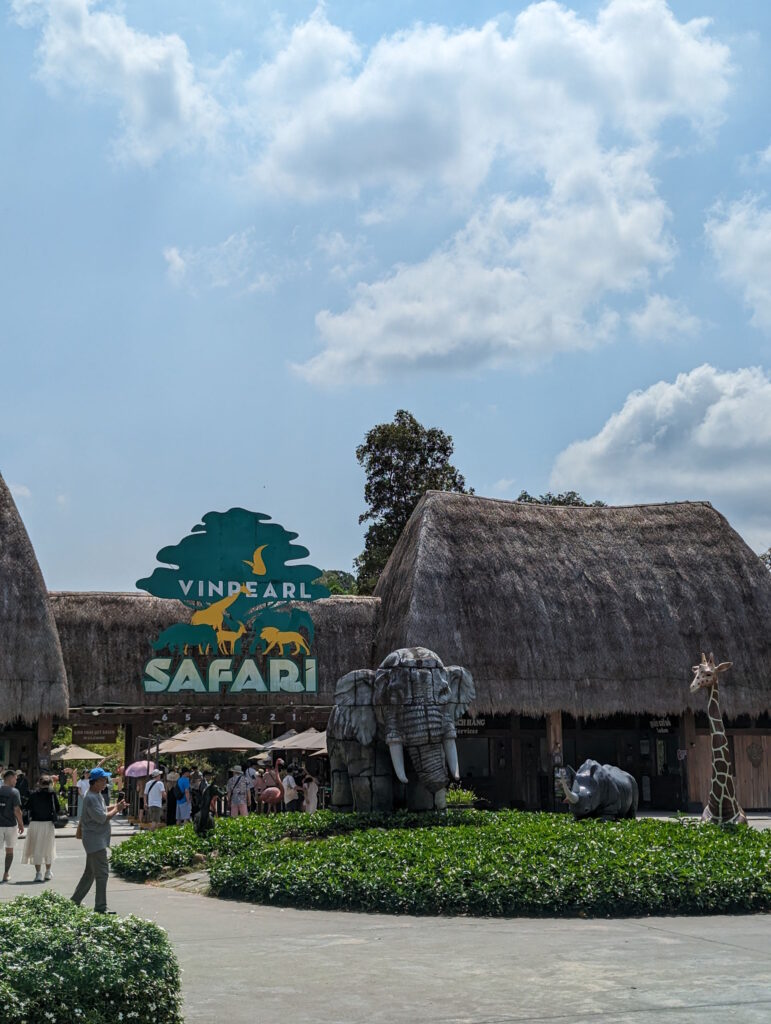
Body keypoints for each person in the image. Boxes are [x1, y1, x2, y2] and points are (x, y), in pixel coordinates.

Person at [71, 767, 126, 914]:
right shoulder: (91, 797)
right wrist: (117, 809)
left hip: (96, 839)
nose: (106, 783)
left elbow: (102, 809)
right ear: (95, 782)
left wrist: (116, 806)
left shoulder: (96, 794)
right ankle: (100, 907)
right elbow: (102, 818)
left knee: (89, 873)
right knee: (102, 873)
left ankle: (74, 902)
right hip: (95, 841)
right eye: (103, 780)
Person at [22, 775, 59, 881]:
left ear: (39, 783)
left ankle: (38, 873)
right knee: (48, 848)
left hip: (35, 823)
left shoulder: (34, 795)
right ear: (50, 784)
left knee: (36, 849)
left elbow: (27, 807)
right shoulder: (52, 794)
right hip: (48, 823)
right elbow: (57, 808)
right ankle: (48, 872)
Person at [0, 769, 24, 883]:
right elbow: (17, 810)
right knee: (9, 850)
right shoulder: (14, 792)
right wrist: (21, 824)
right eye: (15, 778)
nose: (16, 781)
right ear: (10, 778)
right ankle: (6, 874)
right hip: (10, 825)